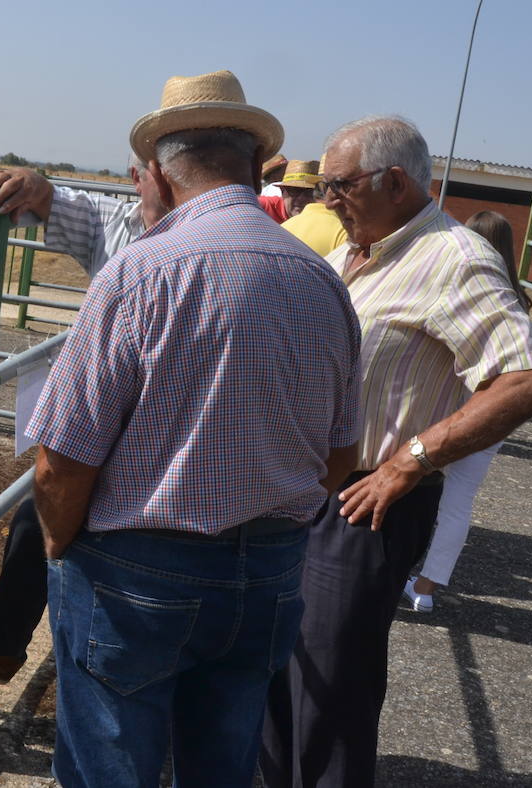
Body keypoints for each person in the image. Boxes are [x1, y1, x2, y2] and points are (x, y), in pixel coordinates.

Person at [28, 70, 362, 788]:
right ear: (250, 167)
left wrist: (59, 544)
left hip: (137, 572)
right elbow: (342, 451)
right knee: (222, 762)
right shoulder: (323, 281)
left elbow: (61, 463)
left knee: (109, 768)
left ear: (157, 174)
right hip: (270, 569)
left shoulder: (138, 273)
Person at [260, 117, 532, 788]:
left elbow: (529, 379)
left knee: (332, 681)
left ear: (393, 182)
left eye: (338, 184)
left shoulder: (454, 259)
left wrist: (411, 459)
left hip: (368, 499)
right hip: (307, 490)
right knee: (281, 666)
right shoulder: (352, 252)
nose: (324, 198)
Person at [0, 154, 171, 686]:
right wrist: (32, 184)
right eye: (149, 169)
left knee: (70, 523)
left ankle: (57, 655)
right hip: (115, 423)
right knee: (39, 517)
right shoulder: (121, 222)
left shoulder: (228, 241)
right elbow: (58, 201)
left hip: (165, 431)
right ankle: (1, 647)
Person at [403, 210, 532, 611]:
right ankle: (425, 589)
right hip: (494, 413)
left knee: (408, 486)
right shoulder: (518, 299)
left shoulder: (459, 283)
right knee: (458, 502)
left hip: (449, 409)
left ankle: (393, 570)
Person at [0, 151, 170, 274]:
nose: (177, 177)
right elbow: (50, 198)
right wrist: (28, 181)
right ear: (138, 178)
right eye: (166, 167)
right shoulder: (110, 220)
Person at [278, 161, 349, 257]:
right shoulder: (342, 232)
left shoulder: (279, 232)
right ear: (282, 192)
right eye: (294, 190)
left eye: (309, 191)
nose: (301, 198)